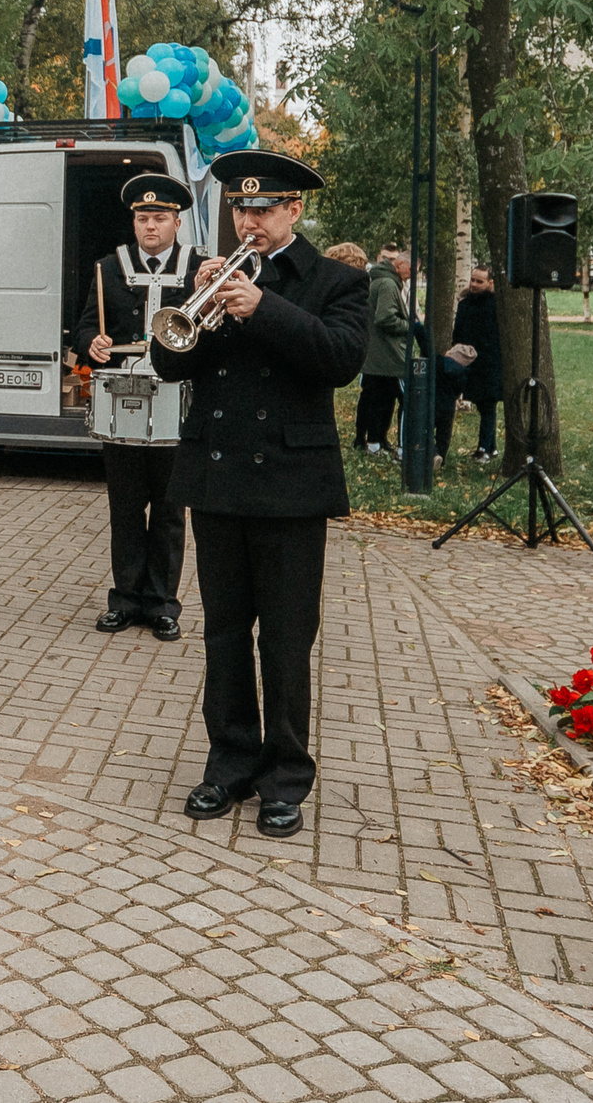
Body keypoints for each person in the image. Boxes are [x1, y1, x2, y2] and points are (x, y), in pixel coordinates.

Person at [151, 149, 367, 838]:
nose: (249, 218)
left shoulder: (335, 279)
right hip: (217, 481)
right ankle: (230, 763)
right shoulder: (210, 274)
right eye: (241, 207)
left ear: (294, 210)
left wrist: (264, 306)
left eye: (264, 207)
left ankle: (285, 776)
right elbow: (165, 358)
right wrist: (199, 296)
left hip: (291, 486)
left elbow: (340, 359)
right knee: (221, 634)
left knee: (285, 640)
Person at [66, 172, 206, 641]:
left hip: (175, 405)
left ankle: (163, 604)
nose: (151, 226)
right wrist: (94, 344)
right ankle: (125, 599)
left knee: (169, 511)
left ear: (177, 222)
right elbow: (84, 327)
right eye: (143, 218)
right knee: (125, 509)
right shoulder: (108, 267)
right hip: (123, 403)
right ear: (134, 222)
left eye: (160, 218)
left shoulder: (197, 268)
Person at [439, 265, 503, 461]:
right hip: (469, 361)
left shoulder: (495, 305)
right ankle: (490, 447)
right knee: (482, 405)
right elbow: (458, 333)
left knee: (488, 405)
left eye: (479, 281)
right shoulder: (465, 304)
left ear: (490, 283)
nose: (474, 284)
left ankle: (484, 448)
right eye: (472, 280)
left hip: (489, 362)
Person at [355, 247, 410, 452]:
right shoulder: (388, 284)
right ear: (399, 265)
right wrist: (409, 326)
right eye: (411, 269)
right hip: (389, 353)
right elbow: (385, 318)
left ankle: (369, 440)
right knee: (394, 398)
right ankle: (379, 441)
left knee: (374, 397)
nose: (412, 274)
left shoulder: (378, 280)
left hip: (374, 352)